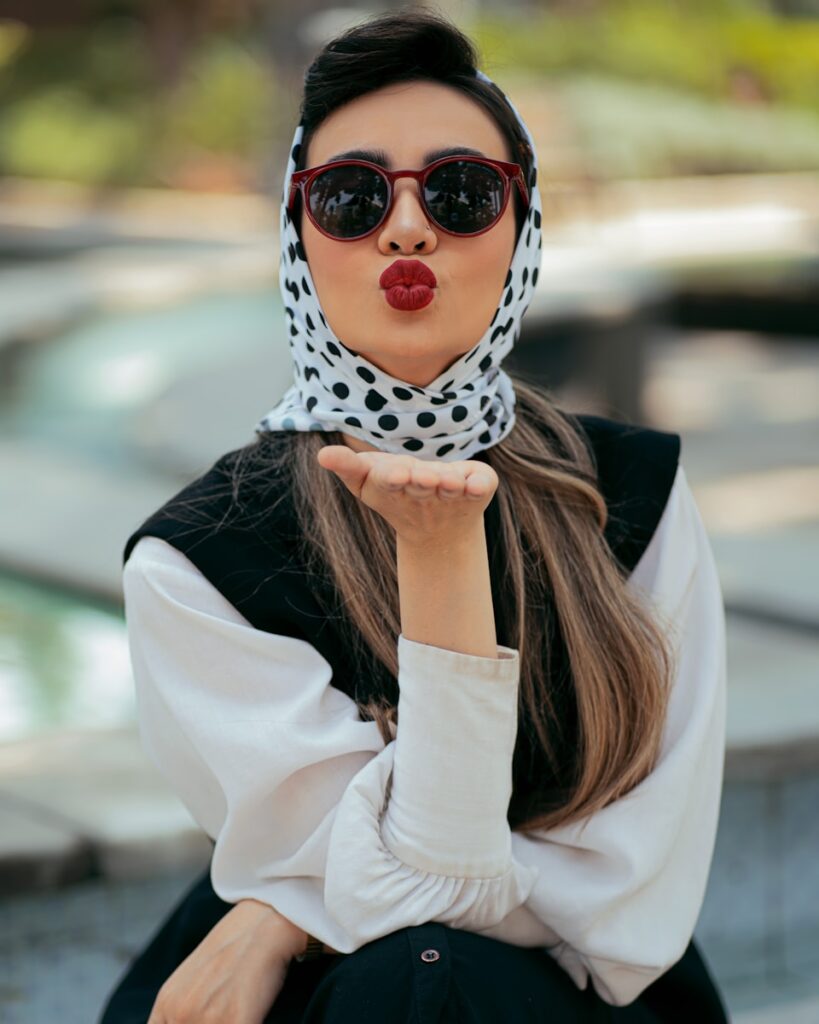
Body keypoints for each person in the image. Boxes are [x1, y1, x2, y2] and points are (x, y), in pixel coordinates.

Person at [98, 9, 730, 1023]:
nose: (406, 227)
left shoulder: (638, 496)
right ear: (299, 237)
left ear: (523, 227)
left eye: (462, 192)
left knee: (435, 971)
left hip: (579, 999)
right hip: (335, 1000)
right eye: (351, 197)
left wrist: (285, 910)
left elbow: (628, 897)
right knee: (415, 974)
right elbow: (410, 905)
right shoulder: (198, 556)